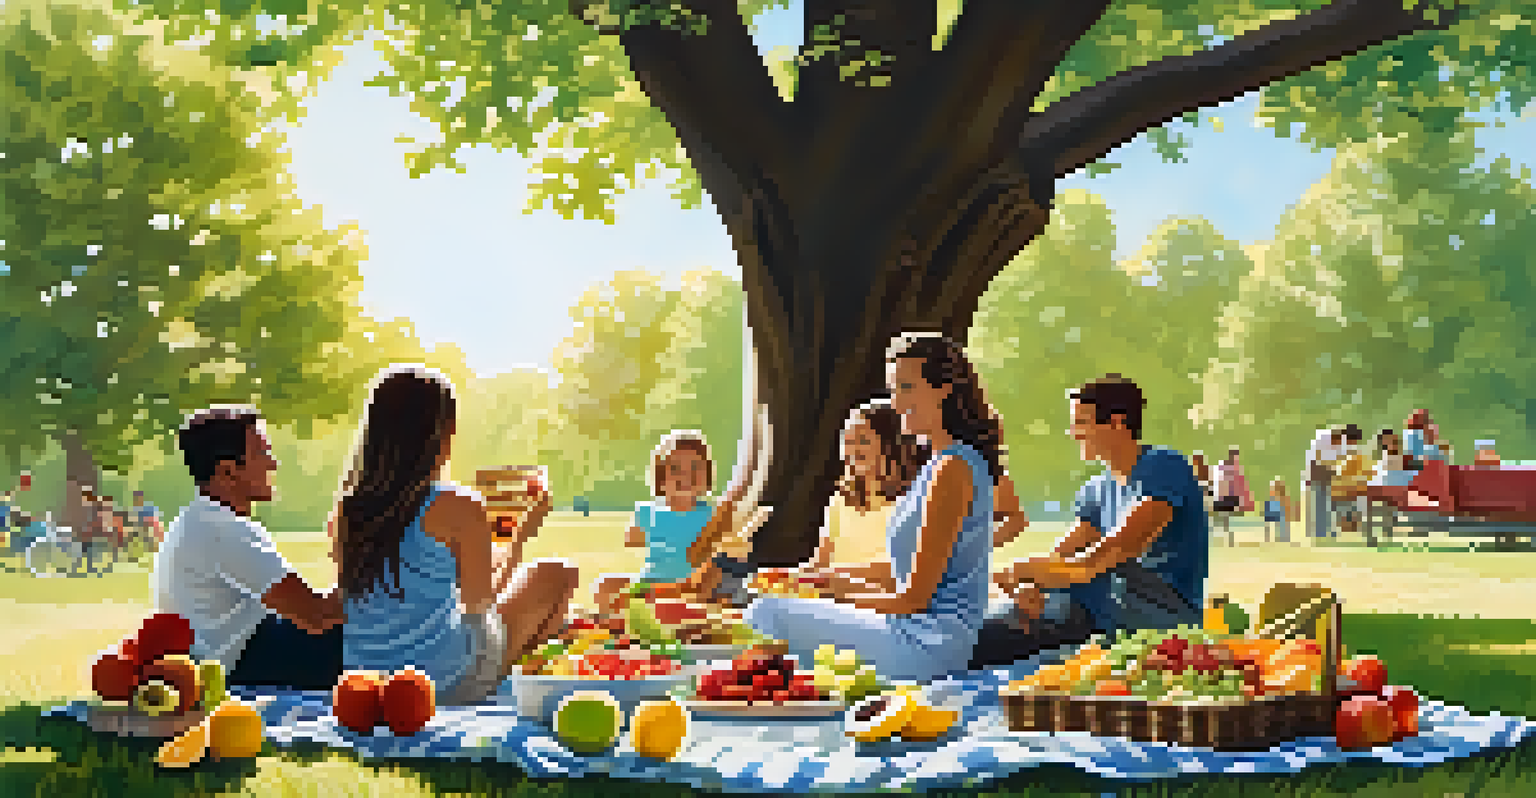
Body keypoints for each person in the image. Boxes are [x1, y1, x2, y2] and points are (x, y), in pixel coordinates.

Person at [745, 332, 1000, 683]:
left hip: (927, 644)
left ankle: (741, 708)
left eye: (907, 388)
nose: (896, 402)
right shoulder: (937, 465)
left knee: (770, 611)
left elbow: (912, 599)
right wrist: (830, 578)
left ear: (944, 389)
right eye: (894, 390)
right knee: (779, 619)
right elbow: (907, 568)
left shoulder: (953, 469)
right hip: (908, 630)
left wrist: (837, 593)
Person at [336, 366, 578, 706]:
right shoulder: (457, 503)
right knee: (558, 573)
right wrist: (522, 536)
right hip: (444, 682)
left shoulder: (348, 508)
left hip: (366, 682)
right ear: (442, 432)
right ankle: (528, 690)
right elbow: (481, 604)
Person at [974, 374, 1209, 670]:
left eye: (1082, 423)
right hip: (1102, 607)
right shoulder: (1096, 489)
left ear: (1118, 423)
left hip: (1166, 615)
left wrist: (1035, 573)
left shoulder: (1163, 465)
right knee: (1014, 627)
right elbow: (1063, 555)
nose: (1073, 433)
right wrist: (1027, 582)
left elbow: (1118, 549)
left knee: (1101, 573)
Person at [152, 407, 347, 689]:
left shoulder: (202, 520)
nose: (273, 464)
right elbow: (318, 614)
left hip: (232, 656)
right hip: (241, 667)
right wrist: (352, 554)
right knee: (370, 628)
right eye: (262, 453)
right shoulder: (221, 529)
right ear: (228, 471)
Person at [591, 430, 727, 615]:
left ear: (708, 477)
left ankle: (667, 615)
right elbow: (632, 539)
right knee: (606, 585)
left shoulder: (714, 513)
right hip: (652, 585)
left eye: (695, 467)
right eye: (675, 468)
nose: (686, 474)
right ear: (661, 479)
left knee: (716, 583)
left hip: (693, 589)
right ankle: (624, 623)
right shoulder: (648, 512)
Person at [807, 399, 928, 570]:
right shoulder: (841, 501)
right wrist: (782, 576)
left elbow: (903, 570)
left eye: (863, 441)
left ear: (890, 446)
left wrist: (835, 577)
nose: (852, 449)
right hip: (832, 594)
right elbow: (819, 565)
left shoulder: (914, 503)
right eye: (847, 441)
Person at [1303, 426, 1346, 539]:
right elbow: (1315, 457)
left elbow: (1339, 459)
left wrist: (1334, 469)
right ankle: (1318, 531)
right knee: (1318, 503)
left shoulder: (1340, 444)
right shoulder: (1322, 439)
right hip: (1317, 474)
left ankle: (1328, 530)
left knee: (1328, 504)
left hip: (1327, 475)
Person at [1332, 425, 1374, 534]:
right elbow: (1368, 475)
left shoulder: (1347, 454)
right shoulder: (1352, 454)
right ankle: (1349, 524)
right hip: (1347, 493)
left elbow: (1367, 475)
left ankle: (1350, 524)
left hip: (1348, 493)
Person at [1264, 478, 1294, 543]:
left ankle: (1281, 538)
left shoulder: (1284, 501)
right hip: (1276, 516)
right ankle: (1277, 538)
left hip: (1280, 517)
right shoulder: (1270, 502)